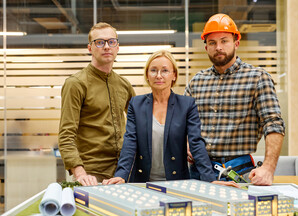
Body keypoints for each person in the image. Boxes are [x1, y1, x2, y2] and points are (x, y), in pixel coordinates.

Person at [103, 50, 238, 188]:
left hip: (177, 183)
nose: (159, 75)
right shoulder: (136, 104)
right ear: (147, 75)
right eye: (153, 70)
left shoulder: (186, 105)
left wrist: (210, 180)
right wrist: (121, 175)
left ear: (174, 75)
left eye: (165, 70)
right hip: (142, 181)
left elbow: (196, 143)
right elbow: (130, 142)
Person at [185, 13, 285, 186]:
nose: (218, 47)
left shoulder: (257, 78)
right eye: (212, 43)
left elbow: (273, 124)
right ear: (206, 47)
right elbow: (182, 123)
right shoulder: (196, 82)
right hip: (199, 172)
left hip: (239, 172)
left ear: (236, 43)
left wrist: (268, 168)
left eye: (224, 41)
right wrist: (185, 142)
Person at [58, 22, 135, 186]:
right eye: (100, 42)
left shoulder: (124, 85)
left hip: (122, 173)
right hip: (91, 175)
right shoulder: (76, 84)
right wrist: (80, 174)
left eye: (111, 42)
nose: (107, 47)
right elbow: (66, 135)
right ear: (90, 48)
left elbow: (140, 127)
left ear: (117, 47)